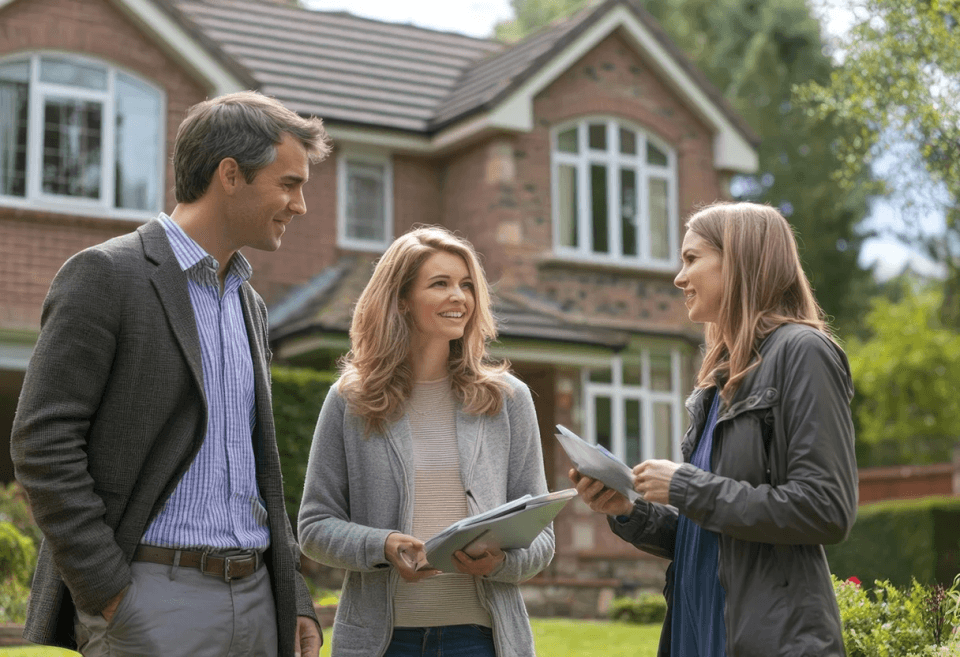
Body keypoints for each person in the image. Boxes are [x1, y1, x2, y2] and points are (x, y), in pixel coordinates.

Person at [11, 91, 331, 657]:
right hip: (151, 600)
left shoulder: (249, 305)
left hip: (257, 600)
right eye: (289, 183)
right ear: (230, 174)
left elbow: (257, 468)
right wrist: (109, 593)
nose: (300, 205)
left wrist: (291, 593)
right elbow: (42, 443)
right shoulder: (105, 276)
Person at [571, 202, 858, 656]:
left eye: (691, 259)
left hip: (771, 641)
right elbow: (710, 533)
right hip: (696, 634)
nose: (678, 278)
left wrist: (685, 486)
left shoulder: (803, 352)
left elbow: (825, 507)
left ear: (741, 260)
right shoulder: (721, 378)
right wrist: (630, 510)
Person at [298, 226, 553, 657]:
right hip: (382, 642)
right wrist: (381, 545)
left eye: (467, 285)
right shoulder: (351, 400)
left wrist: (502, 563)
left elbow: (542, 536)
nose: (460, 297)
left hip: (481, 641)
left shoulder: (508, 399)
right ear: (400, 299)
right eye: (441, 284)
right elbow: (314, 528)